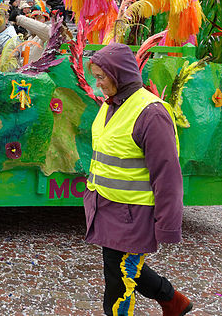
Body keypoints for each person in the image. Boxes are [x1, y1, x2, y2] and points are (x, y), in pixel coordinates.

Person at [86, 43, 192, 316]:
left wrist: (168, 226)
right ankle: (172, 300)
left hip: (132, 215)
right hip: (108, 208)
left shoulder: (151, 113)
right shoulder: (112, 105)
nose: (97, 84)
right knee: (122, 267)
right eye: (95, 77)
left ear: (119, 74)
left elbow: (167, 176)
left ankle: (170, 300)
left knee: (118, 282)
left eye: (101, 77)